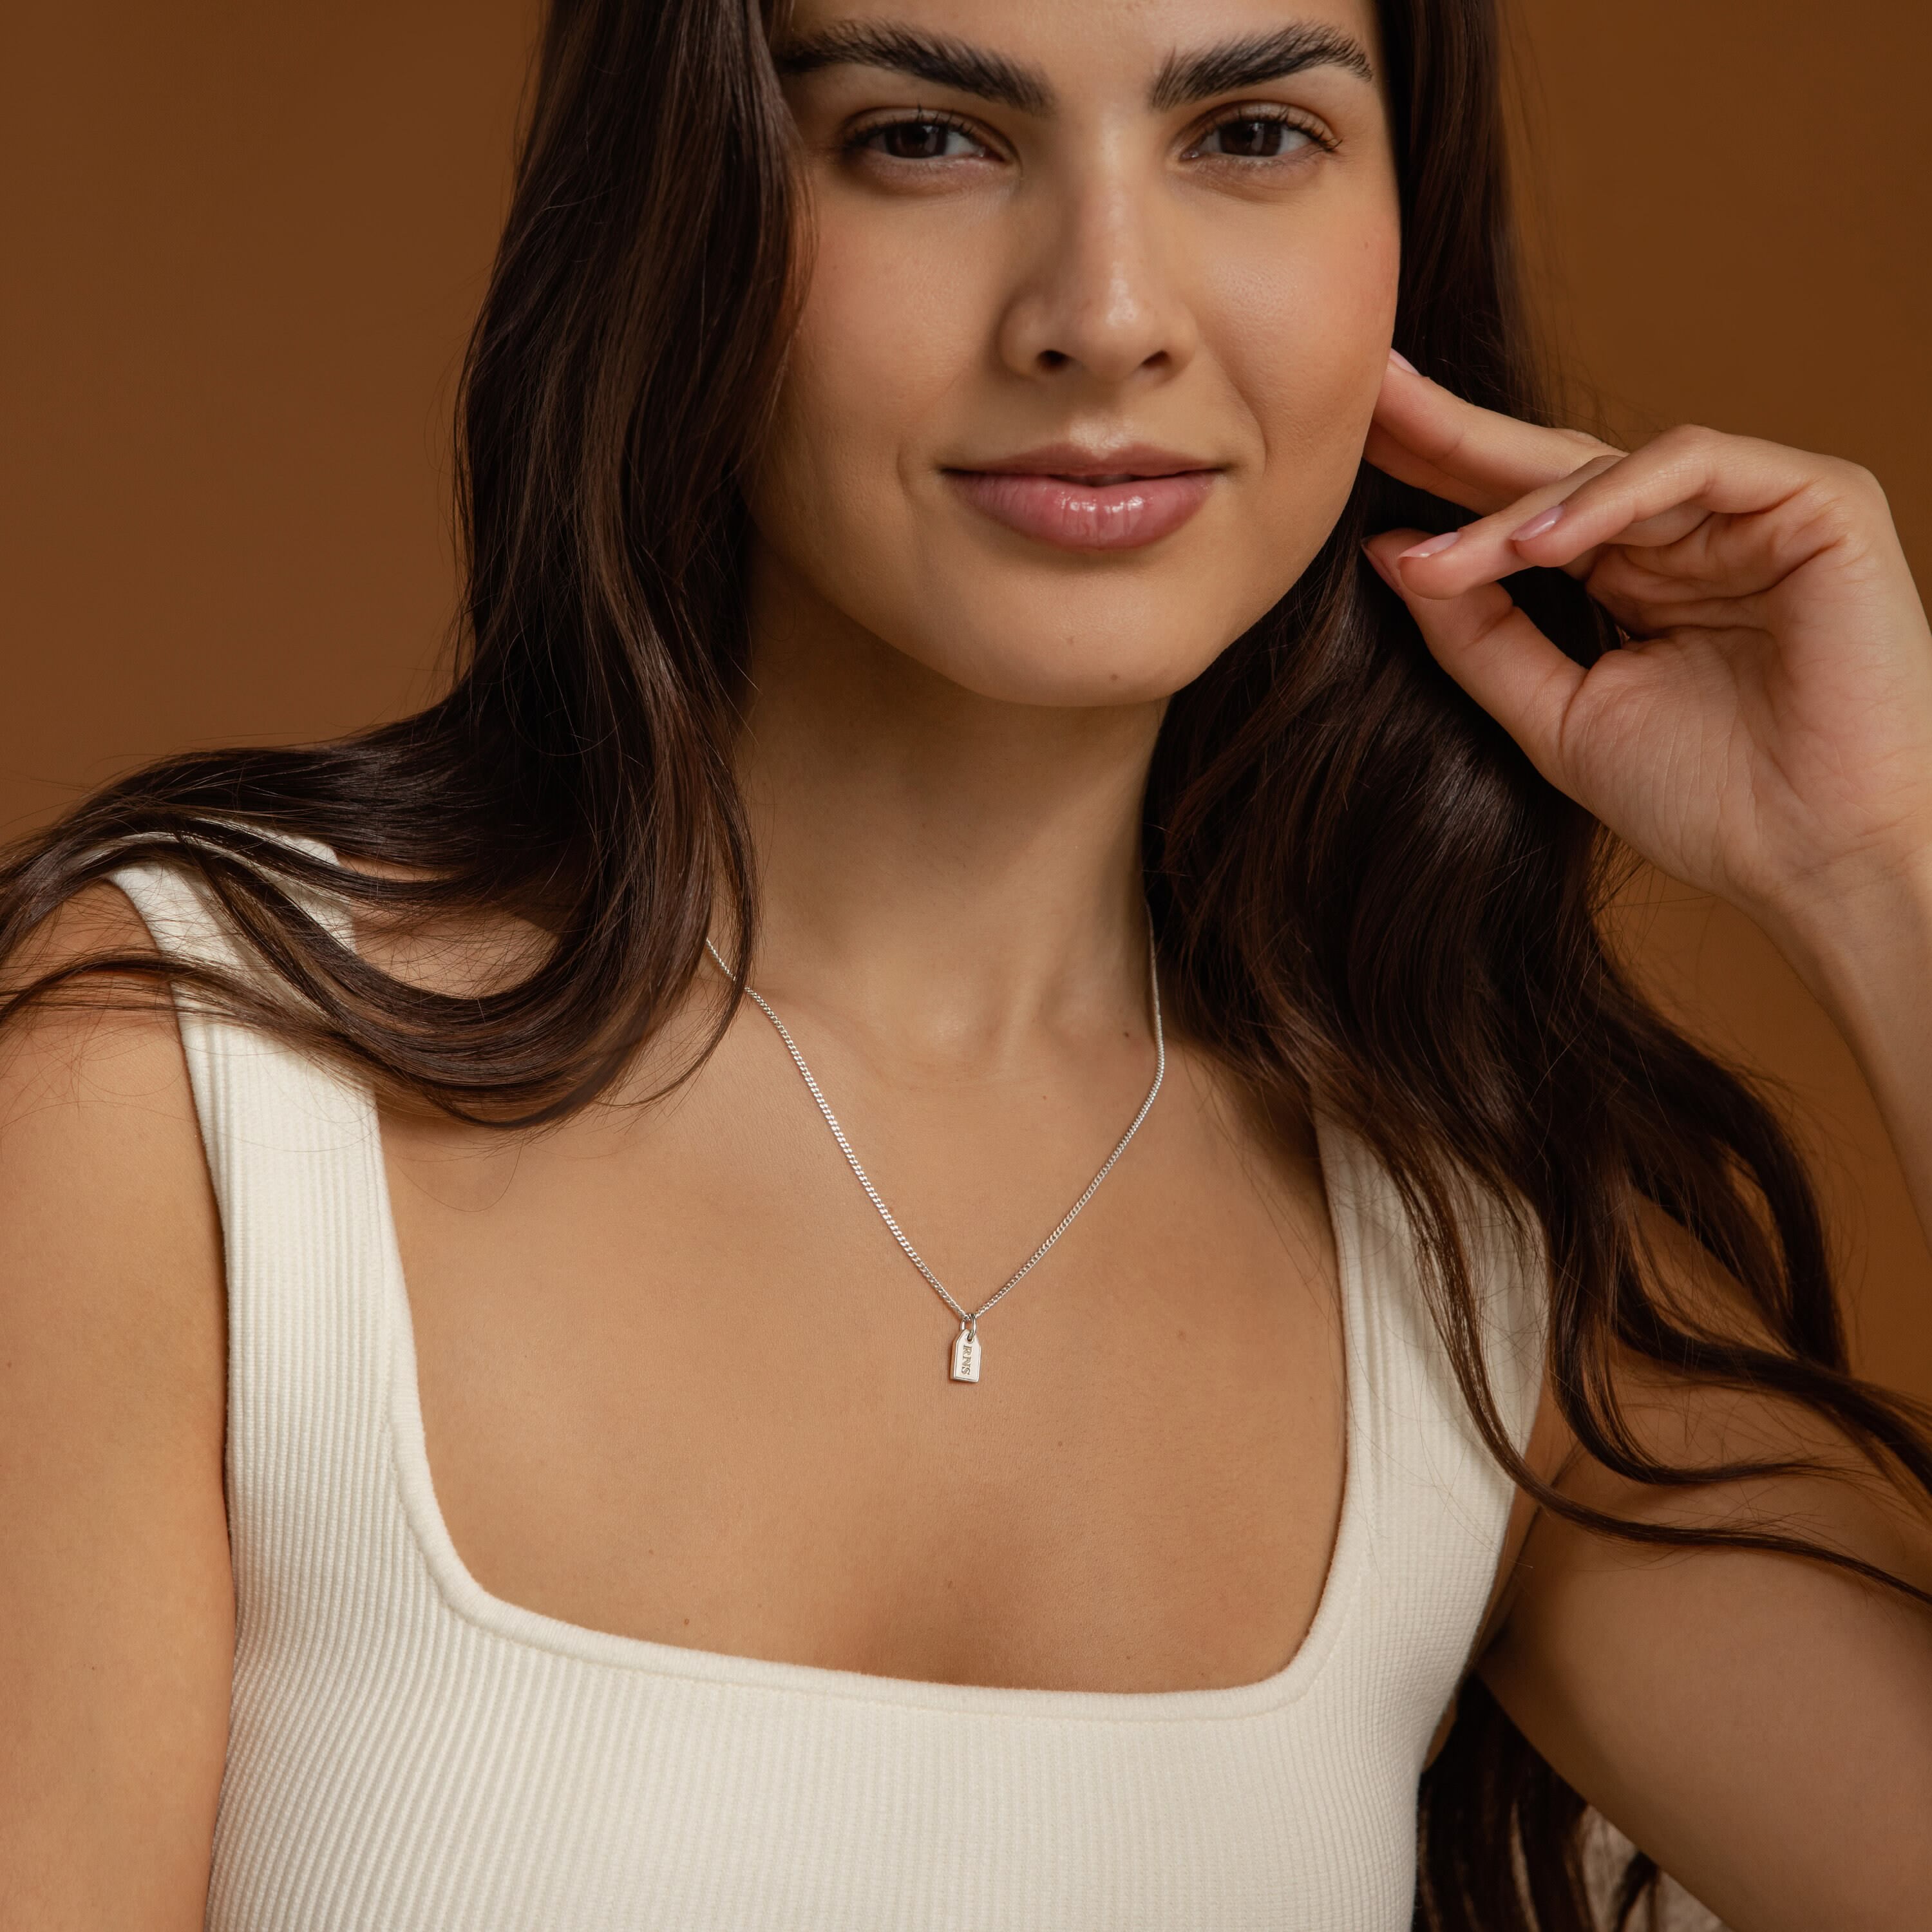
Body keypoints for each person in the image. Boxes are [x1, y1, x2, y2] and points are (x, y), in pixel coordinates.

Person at [3, 0, 1929, 1926]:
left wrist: (1882, 863)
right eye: (926, 137)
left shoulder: (1478, 1263)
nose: (1105, 313)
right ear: (689, 214)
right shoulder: (183, 1092)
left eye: (1251, 135)